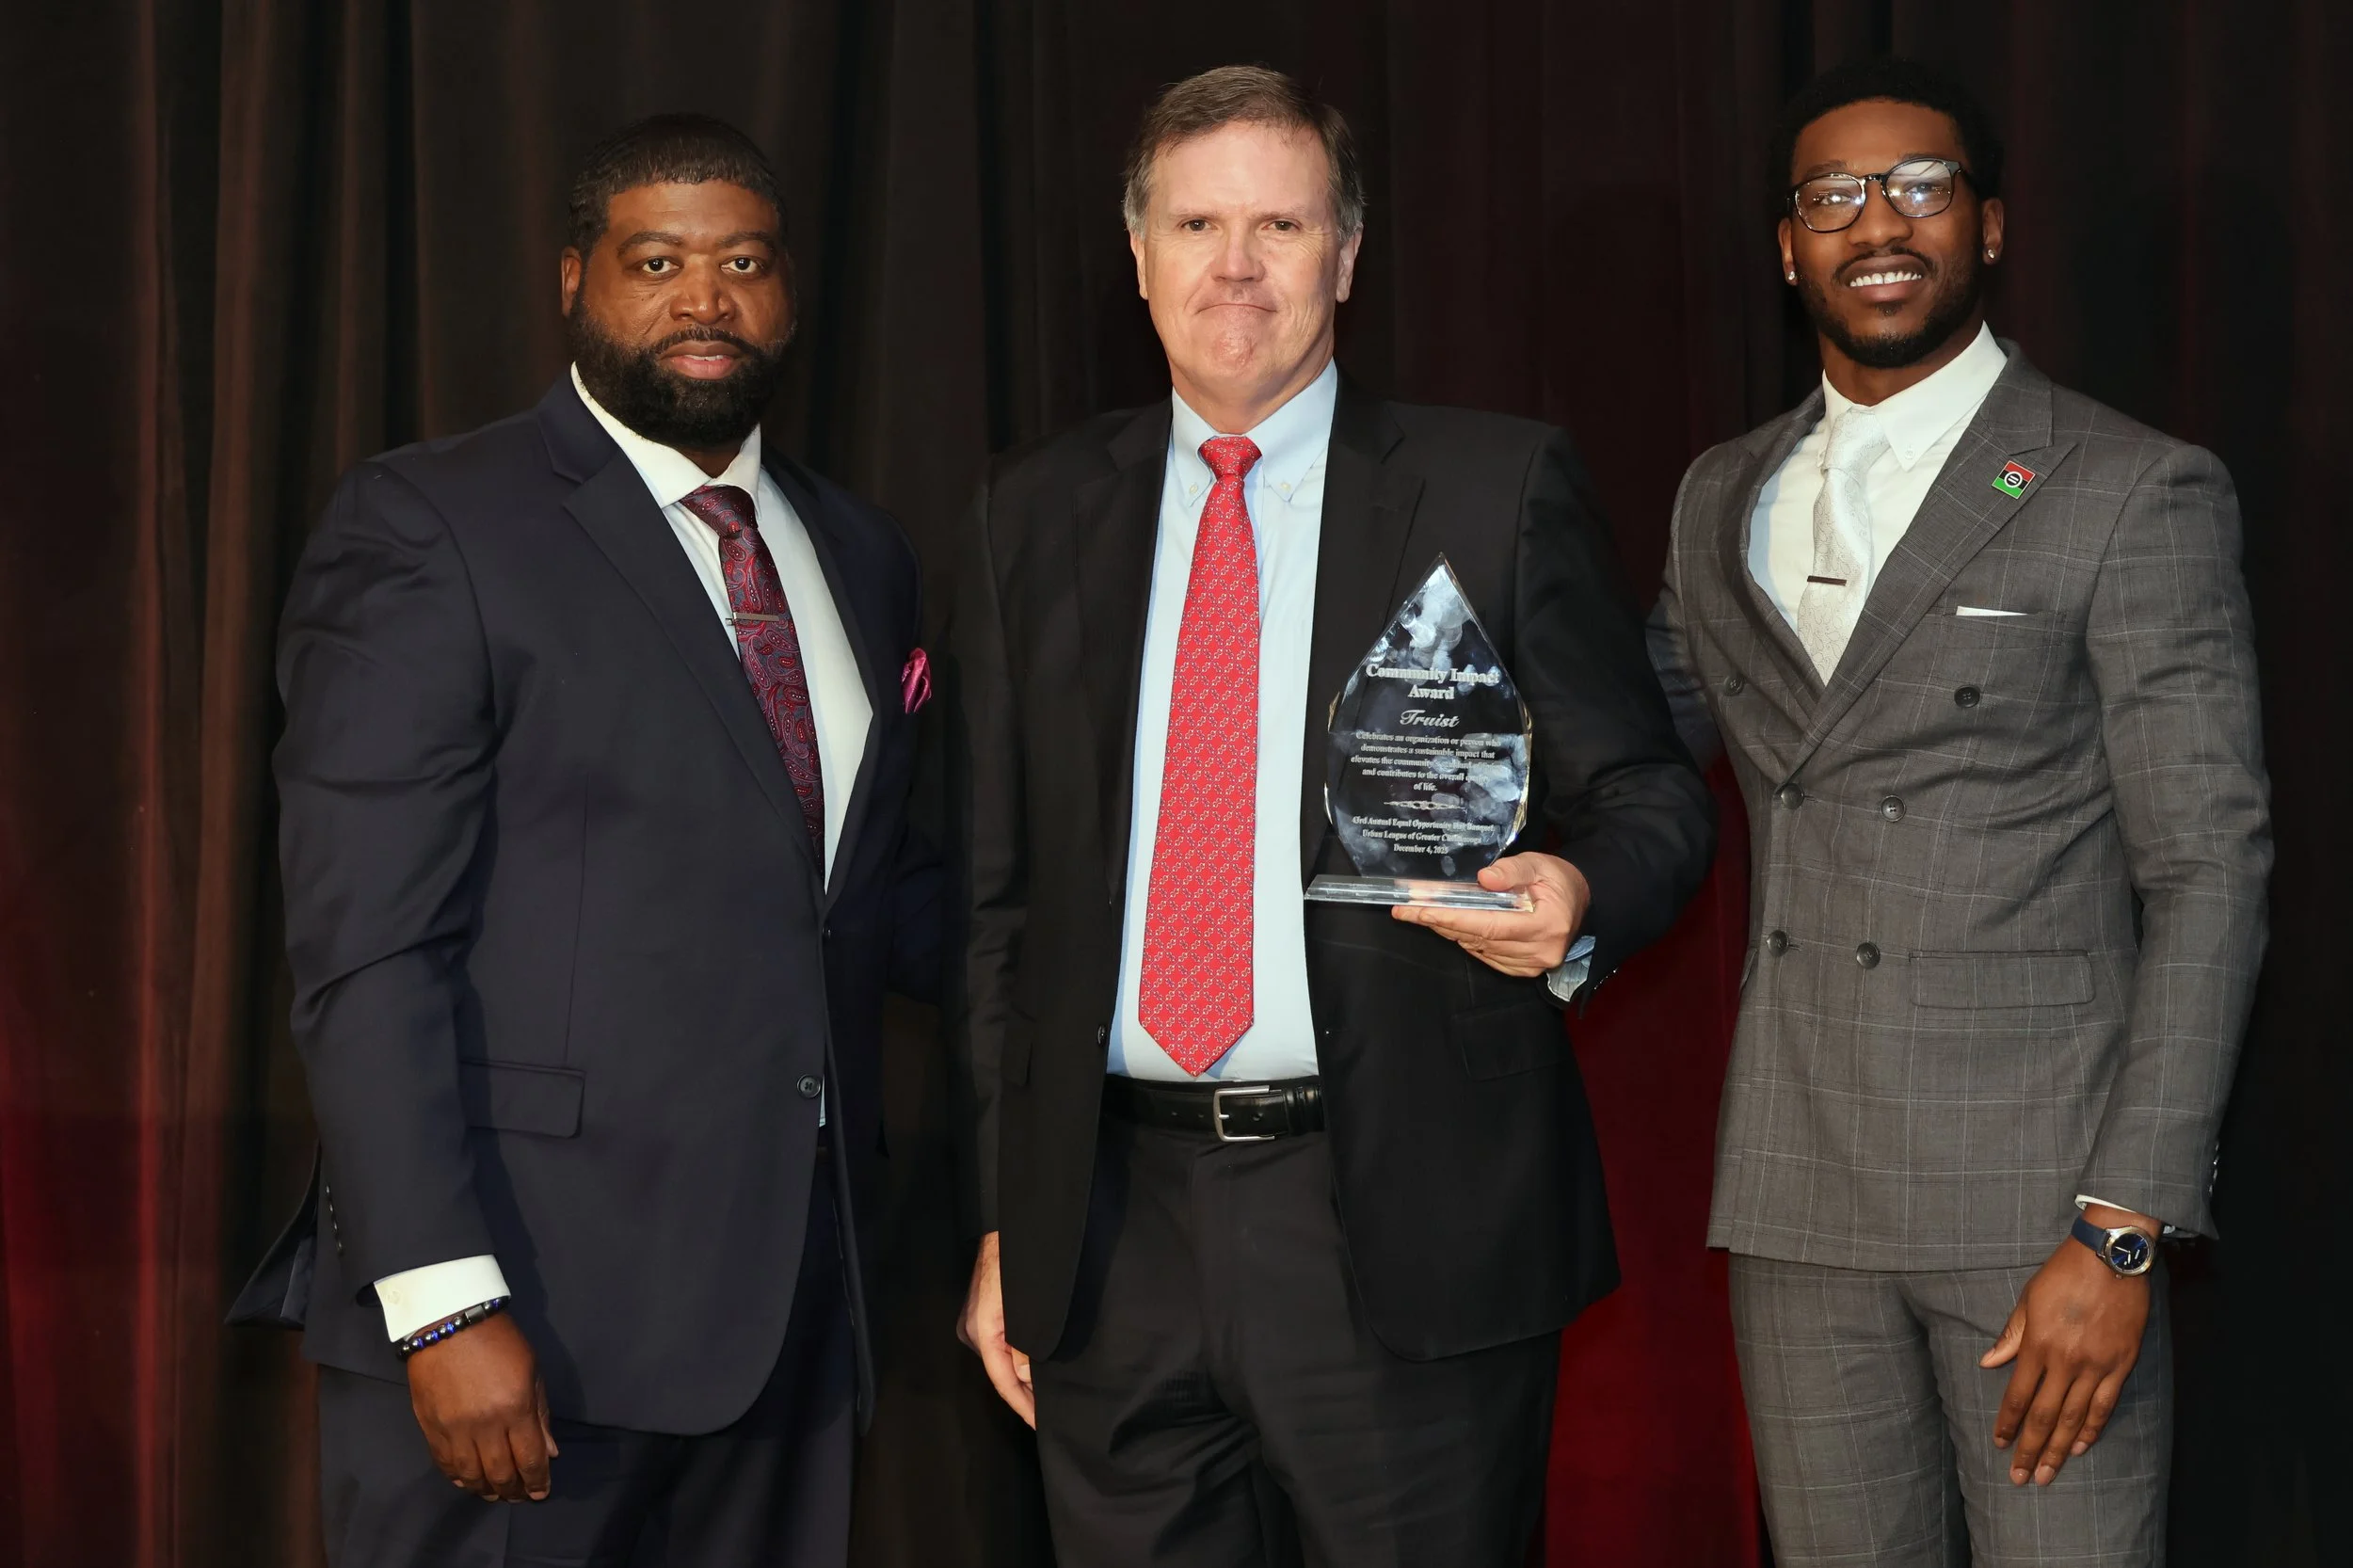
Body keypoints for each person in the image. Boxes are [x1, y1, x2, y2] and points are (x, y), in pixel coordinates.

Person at [948, 64, 1715, 1568]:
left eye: (1281, 223)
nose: (1236, 265)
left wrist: (1579, 888)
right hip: (1110, 1237)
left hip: (1396, 1226)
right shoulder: (1025, 514)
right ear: (1141, 256)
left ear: (1346, 256)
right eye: (1198, 223)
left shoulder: (1494, 487)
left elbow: (1649, 792)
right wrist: (1005, 1221)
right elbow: (998, 904)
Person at [229, 114, 939, 1566]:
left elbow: (882, 898)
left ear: (790, 290)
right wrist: (440, 1297)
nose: (705, 300)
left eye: (741, 261)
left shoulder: (858, 551)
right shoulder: (432, 523)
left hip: (794, 1322)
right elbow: (367, 946)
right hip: (523, 1325)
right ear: (574, 280)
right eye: (657, 261)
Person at [1650, 57, 2270, 1566]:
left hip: (2039, 1205)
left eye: (1922, 186)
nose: (1880, 223)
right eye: (1834, 196)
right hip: (1796, 1198)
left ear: (1988, 227)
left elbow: (2208, 867)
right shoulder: (1717, 497)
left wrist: (2124, 1225)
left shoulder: (2129, 487)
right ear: (1785, 244)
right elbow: (1634, 761)